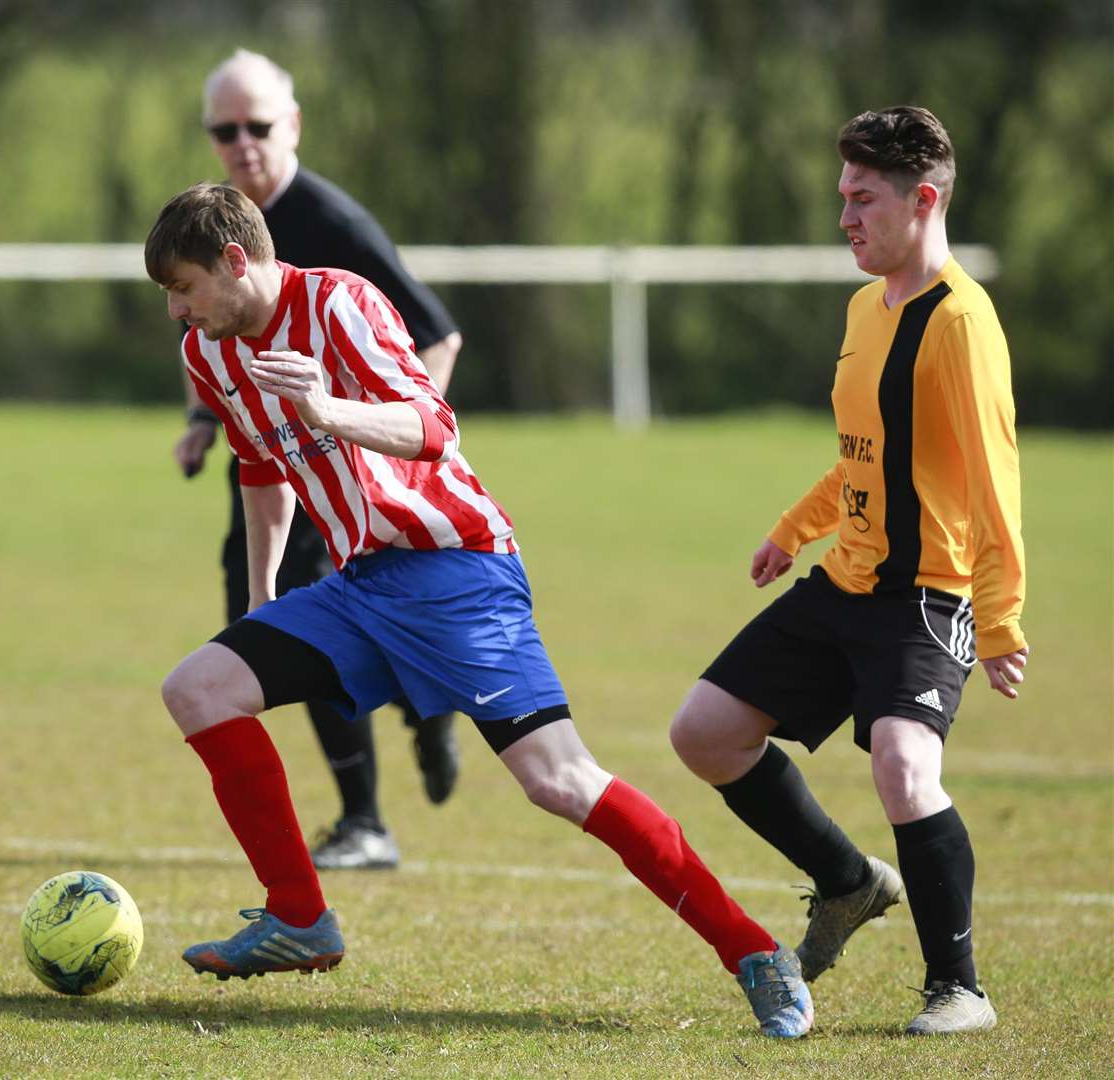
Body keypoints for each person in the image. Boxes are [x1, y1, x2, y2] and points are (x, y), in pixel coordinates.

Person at [144, 182, 814, 1038]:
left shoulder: (341, 303)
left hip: (456, 572)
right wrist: (261, 598)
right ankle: (299, 921)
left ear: (236, 261)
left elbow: (433, 427)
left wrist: (323, 407)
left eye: (184, 287)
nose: (176, 310)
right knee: (199, 687)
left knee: (559, 781)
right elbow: (262, 467)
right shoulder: (214, 353)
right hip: (357, 587)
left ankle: (754, 951)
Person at [669, 106, 1027, 1036]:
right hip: (847, 583)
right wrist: (795, 528)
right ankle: (846, 882)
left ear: (923, 200)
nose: (844, 218)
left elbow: (995, 483)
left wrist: (999, 619)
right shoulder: (864, 307)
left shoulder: (961, 327)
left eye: (862, 199)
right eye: (841, 197)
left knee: (905, 768)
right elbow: (865, 454)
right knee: (704, 733)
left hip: (928, 595)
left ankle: (959, 989)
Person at [173, 49, 464, 871]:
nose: (241, 143)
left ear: (291, 124)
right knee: (258, 617)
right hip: (266, 468)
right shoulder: (214, 224)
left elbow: (437, 337)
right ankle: (413, 713)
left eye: (257, 126)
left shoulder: (334, 225)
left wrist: (393, 453)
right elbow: (207, 337)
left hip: (340, 473)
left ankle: (367, 814)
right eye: (223, 130)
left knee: (308, 625)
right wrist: (202, 419)